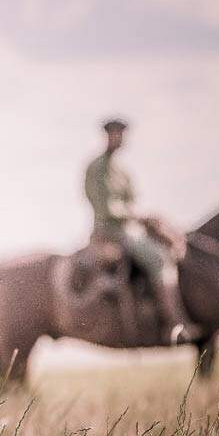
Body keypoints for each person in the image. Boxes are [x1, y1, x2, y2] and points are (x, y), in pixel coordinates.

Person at [83, 118, 201, 344]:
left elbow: (132, 201)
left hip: (130, 228)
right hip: (110, 230)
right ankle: (176, 324)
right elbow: (104, 206)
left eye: (122, 134)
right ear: (107, 136)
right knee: (158, 258)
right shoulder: (96, 168)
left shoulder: (122, 172)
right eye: (115, 134)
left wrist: (147, 218)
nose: (119, 138)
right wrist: (137, 216)